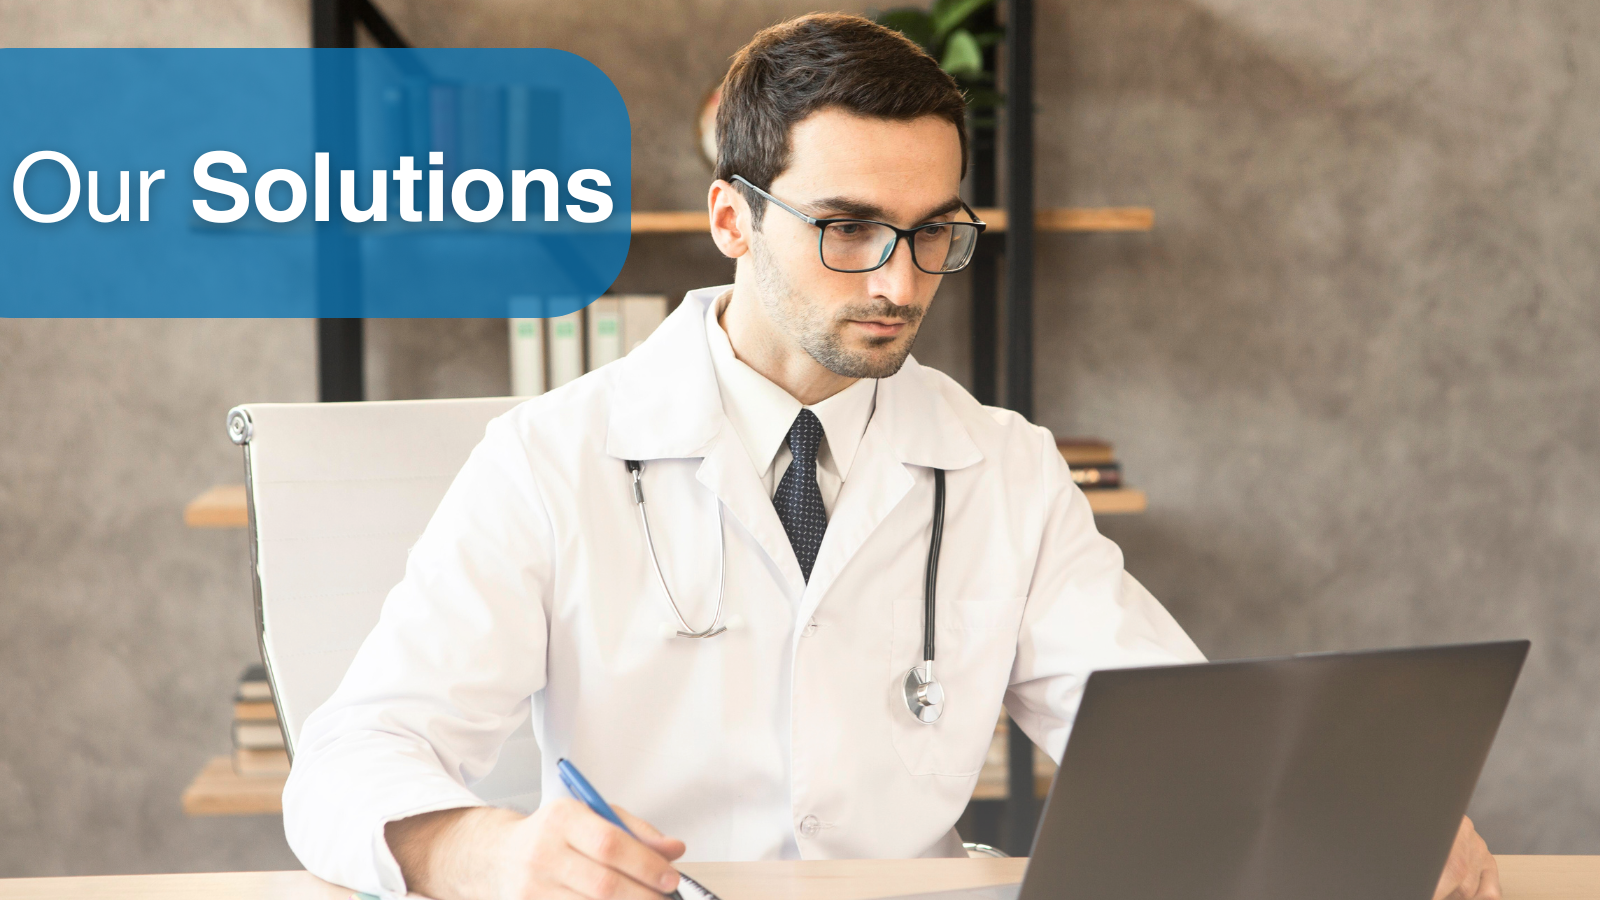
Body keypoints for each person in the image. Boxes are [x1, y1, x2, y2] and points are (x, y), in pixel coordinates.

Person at [282, 13, 1500, 900]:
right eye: (848, 228)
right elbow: (348, 761)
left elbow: (1169, 730)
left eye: (930, 235)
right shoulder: (551, 457)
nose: (897, 280)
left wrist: (1361, 814)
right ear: (731, 221)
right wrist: (481, 852)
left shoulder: (1001, 469)